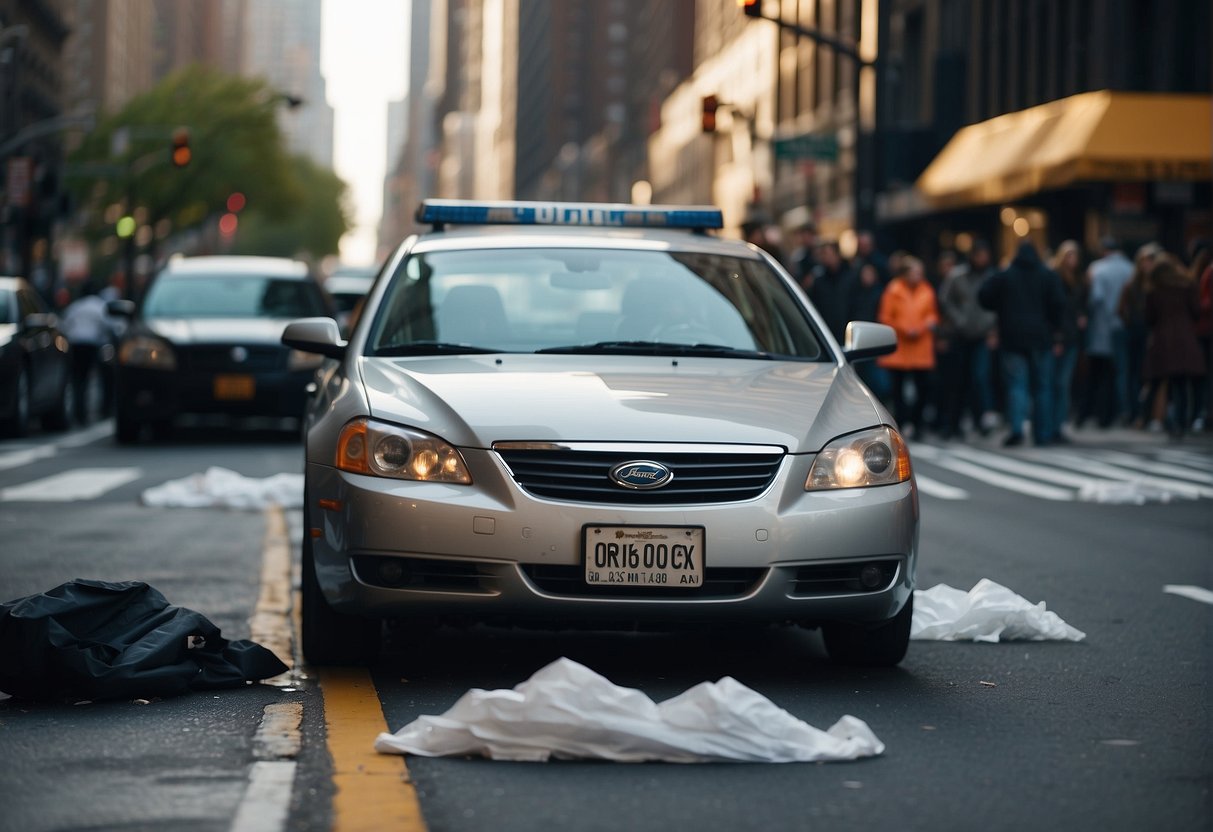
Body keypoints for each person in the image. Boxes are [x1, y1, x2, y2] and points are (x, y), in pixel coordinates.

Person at [978, 241, 1065, 447]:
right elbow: (1059, 305)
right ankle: (1042, 433)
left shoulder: (1006, 275)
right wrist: (1055, 332)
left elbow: (983, 297)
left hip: (1012, 339)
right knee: (1043, 387)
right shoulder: (1047, 275)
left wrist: (1001, 306)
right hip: (1042, 339)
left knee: (1017, 386)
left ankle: (1017, 429)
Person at [937, 240, 998, 439]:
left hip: (981, 334)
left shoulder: (991, 277)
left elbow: (999, 304)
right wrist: (958, 319)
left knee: (979, 377)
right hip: (960, 335)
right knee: (958, 381)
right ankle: (953, 424)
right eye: (979, 255)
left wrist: (992, 326)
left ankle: (981, 419)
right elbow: (944, 300)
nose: (983, 259)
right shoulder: (957, 276)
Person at [1141, 254, 1206, 438]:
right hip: (1185, 341)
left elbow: (1149, 318)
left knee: (1162, 384)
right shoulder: (1188, 286)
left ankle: (1155, 419)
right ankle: (1181, 422)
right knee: (1182, 386)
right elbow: (1196, 311)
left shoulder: (1155, 290)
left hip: (1163, 341)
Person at [877, 256, 938, 438]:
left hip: (920, 346)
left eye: (920, 272)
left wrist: (923, 326)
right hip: (900, 347)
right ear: (905, 274)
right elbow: (885, 317)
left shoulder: (927, 290)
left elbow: (933, 314)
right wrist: (904, 329)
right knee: (898, 390)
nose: (918, 276)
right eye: (914, 272)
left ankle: (917, 424)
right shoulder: (893, 290)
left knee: (923, 388)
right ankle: (901, 423)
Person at [1081, 236, 1134, 427]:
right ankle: (1125, 412)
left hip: (1102, 328)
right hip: (1124, 326)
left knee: (1099, 374)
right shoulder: (1131, 268)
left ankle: (1095, 414)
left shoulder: (1098, 269)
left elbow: (1096, 299)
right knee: (1122, 372)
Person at [60, 282, 122, 424]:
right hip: (93, 345)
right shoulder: (100, 306)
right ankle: (103, 409)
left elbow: (65, 325)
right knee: (100, 377)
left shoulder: (75, 307)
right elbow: (111, 327)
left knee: (79, 379)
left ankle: (79, 412)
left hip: (76, 344)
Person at [1115, 242, 1162, 428]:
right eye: (1144, 261)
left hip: (1154, 332)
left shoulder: (1159, 284)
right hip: (1136, 332)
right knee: (1134, 374)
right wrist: (1130, 322)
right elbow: (1120, 309)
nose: (1146, 265)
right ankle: (1134, 413)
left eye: (1149, 261)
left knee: (1150, 374)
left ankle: (1150, 415)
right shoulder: (1132, 284)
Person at [1049, 240, 1087, 443]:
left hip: (1072, 337)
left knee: (1062, 383)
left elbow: (1077, 305)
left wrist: (1081, 315)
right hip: (1059, 337)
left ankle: (1058, 426)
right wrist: (1056, 336)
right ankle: (1052, 426)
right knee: (1056, 383)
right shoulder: (1055, 277)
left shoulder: (1077, 278)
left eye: (1075, 256)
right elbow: (1056, 309)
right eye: (1069, 256)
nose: (1072, 260)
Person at [847, 262, 891, 401]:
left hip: (874, 338)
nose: (867, 277)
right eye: (865, 274)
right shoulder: (856, 293)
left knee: (878, 381)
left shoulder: (880, 293)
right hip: (858, 338)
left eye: (870, 274)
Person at [807, 240, 854, 344]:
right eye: (822, 254)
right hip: (827, 334)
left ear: (837, 254)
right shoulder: (818, 280)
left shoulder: (851, 277)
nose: (824, 258)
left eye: (827, 253)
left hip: (848, 332)